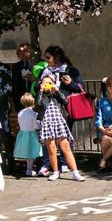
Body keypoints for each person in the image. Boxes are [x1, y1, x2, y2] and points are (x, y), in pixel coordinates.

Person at [37, 45, 85, 181]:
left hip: (63, 110)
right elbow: (37, 92)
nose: (47, 61)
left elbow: (80, 88)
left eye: (48, 58)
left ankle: (66, 165)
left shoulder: (70, 70)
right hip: (47, 113)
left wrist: (70, 84)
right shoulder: (44, 71)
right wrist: (41, 87)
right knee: (50, 144)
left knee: (65, 141)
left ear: (56, 58)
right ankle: (52, 167)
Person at [13, 92, 42, 177]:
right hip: (31, 133)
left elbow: (20, 122)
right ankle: (29, 170)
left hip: (22, 133)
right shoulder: (33, 113)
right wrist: (40, 125)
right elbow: (35, 125)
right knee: (32, 152)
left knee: (28, 153)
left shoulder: (20, 112)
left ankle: (29, 169)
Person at [11, 42, 35, 112]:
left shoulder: (35, 64)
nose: (21, 53)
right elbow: (14, 84)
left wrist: (32, 78)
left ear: (29, 52)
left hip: (33, 99)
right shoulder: (16, 66)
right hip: (20, 101)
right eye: (19, 51)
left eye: (24, 51)